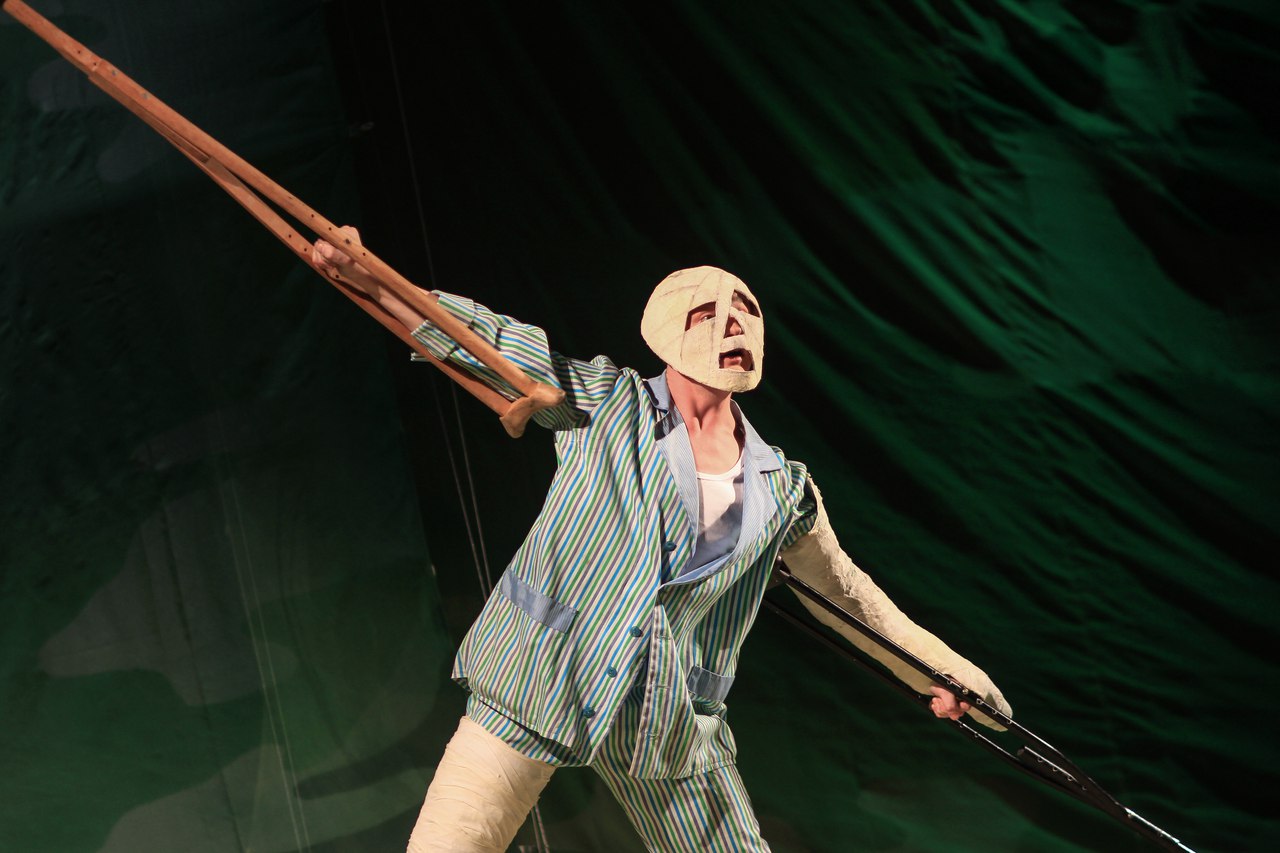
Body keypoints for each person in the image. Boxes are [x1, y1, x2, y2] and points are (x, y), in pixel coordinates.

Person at [312, 230, 1013, 853]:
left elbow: (846, 593)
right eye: (711, 313)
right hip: (541, 671)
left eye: (747, 312)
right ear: (667, 328)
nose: (735, 324)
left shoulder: (783, 488)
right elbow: (488, 343)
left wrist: (941, 671)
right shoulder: (605, 404)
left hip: (665, 711)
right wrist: (370, 277)